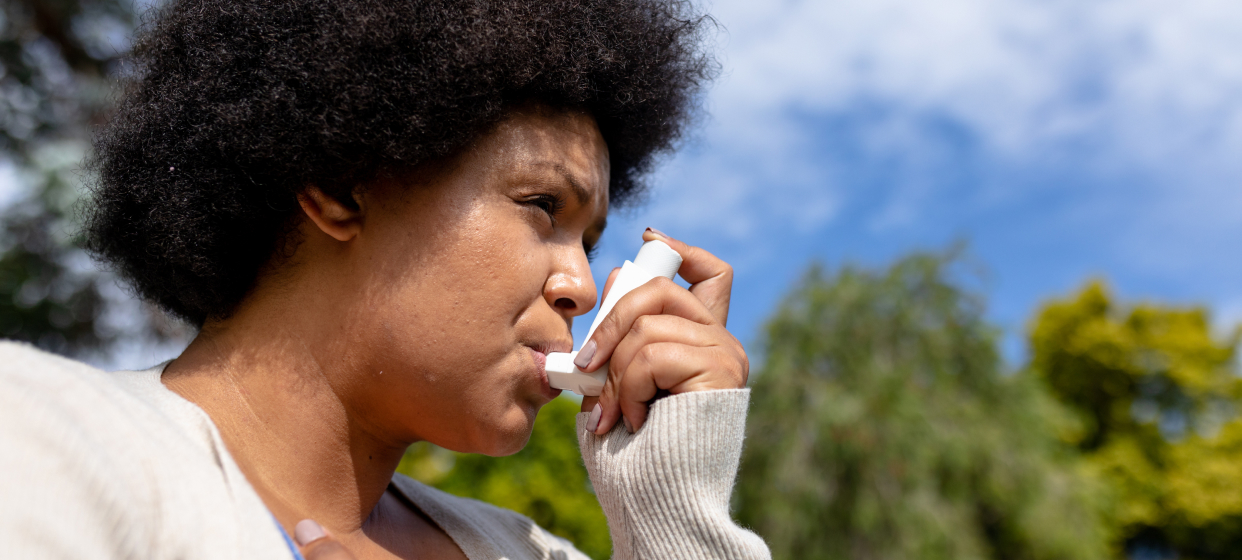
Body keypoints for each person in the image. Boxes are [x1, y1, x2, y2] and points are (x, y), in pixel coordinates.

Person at [0, 0, 770, 558]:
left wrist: (675, 513)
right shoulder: (41, 441)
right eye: (541, 206)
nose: (581, 286)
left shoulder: (532, 552)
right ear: (340, 186)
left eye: (592, 240)